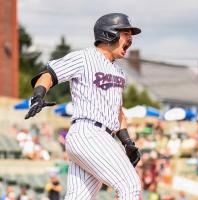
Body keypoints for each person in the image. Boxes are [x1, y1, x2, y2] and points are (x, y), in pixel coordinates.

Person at [25, 13, 141, 200]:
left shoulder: (119, 72)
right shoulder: (84, 58)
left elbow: (117, 112)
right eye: (126, 33)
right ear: (109, 34)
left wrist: (127, 142)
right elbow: (50, 74)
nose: (130, 39)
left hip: (103, 137)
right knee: (130, 185)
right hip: (88, 133)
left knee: (79, 197)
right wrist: (39, 94)